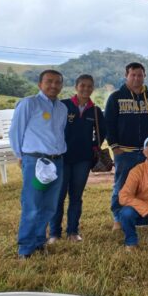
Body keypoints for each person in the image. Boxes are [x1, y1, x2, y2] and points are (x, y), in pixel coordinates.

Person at [9, 69, 67, 258]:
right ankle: (25, 248)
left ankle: (39, 242)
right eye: (49, 81)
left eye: (57, 82)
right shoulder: (29, 103)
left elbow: (60, 134)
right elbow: (15, 132)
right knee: (32, 205)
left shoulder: (62, 108)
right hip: (36, 161)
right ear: (40, 84)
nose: (53, 85)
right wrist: (20, 155)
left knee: (49, 206)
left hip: (57, 162)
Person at [49, 74, 105, 244]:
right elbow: (52, 129)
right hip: (62, 158)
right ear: (76, 87)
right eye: (82, 85)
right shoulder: (63, 105)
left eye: (89, 86)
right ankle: (54, 233)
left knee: (76, 196)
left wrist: (93, 146)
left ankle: (73, 231)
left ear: (93, 88)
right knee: (58, 196)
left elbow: (102, 133)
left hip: (83, 160)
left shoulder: (95, 110)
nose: (86, 89)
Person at [105, 62, 148, 229]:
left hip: (147, 153)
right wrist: (115, 146)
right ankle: (117, 218)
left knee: (146, 186)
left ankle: (142, 217)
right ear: (126, 76)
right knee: (121, 186)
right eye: (133, 75)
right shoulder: (116, 97)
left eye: (140, 75)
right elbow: (109, 123)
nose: (136, 78)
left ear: (144, 76)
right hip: (125, 151)